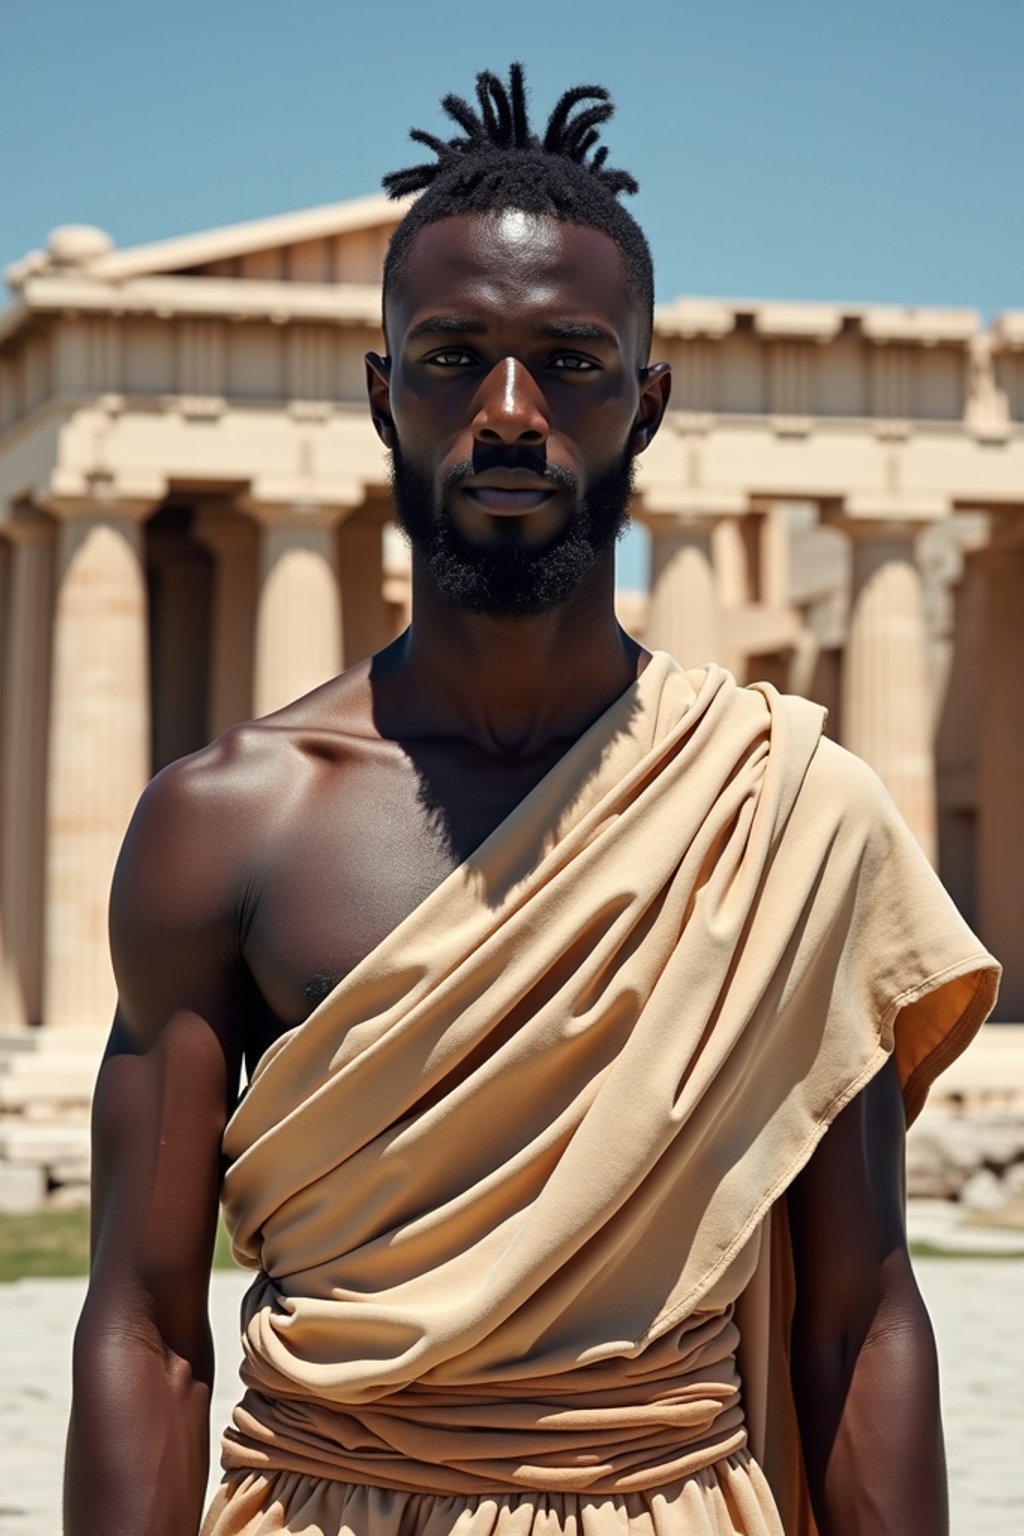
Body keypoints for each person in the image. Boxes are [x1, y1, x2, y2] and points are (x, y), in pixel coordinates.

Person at [65, 65, 999, 1536]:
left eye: (570, 361)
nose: (509, 411)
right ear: (384, 394)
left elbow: (858, 1317)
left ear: (648, 398)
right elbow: (145, 1328)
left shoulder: (793, 811)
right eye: (452, 359)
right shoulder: (226, 820)